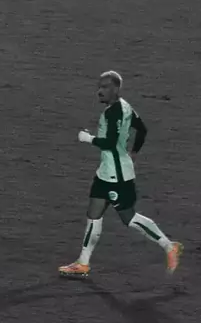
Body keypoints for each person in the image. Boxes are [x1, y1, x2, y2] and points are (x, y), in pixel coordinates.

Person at [59, 70, 183, 278]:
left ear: (116, 89)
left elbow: (109, 143)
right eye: (99, 87)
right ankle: (83, 263)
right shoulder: (126, 107)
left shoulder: (114, 112)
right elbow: (142, 129)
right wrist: (133, 153)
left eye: (105, 87)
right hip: (105, 173)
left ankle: (169, 246)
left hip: (117, 178)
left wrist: (88, 138)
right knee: (93, 215)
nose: (100, 91)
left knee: (129, 218)